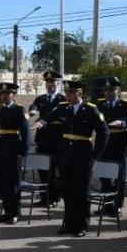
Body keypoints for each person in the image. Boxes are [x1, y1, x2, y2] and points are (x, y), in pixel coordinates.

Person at [36, 80, 108, 237]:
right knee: (67, 191)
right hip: (65, 155)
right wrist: (41, 122)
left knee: (81, 192)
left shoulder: (91, 110)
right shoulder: (63, 108)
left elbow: (104, 133)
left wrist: (96, 156)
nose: (67, 95)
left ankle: (82, 225)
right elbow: (48, 116)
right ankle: (68, 224)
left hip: (83, 155)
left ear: (79, 94)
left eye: (71, 93)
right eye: (67, 92)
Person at [0, 82, 29, 224]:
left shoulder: (19, 110)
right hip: (0, 151)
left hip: (13, 151)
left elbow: (25, 134)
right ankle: (7, 212)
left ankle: (15, 213)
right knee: (3, 183)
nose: (4, 96)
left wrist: (22, 153)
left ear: (14, 95)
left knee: (13, 184)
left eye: (7, 94)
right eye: (2, 94)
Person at [96, 77, 127, 216]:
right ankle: (106, 205)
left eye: (112, 90)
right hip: (104, 144)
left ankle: (117, 206)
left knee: (120, 177)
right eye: (106, 90)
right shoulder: (100, 105)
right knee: (104, 176)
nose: (109, 93)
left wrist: (123, 123)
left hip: (119, 143)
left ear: (118, 91)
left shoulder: (126, 105)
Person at [28, 71, 65, 208]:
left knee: (54, 171)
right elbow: (34, 106)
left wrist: (43, 120)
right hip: (43, 138)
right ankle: (44, 197)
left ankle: (54, 198)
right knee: (42, 169)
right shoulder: (41, 98)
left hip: (57, 138)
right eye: (48, 82)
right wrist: (32, 111)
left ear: (57, 83)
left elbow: (59, 116)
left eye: (53, 82)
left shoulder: (63, 99)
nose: (50, 85)